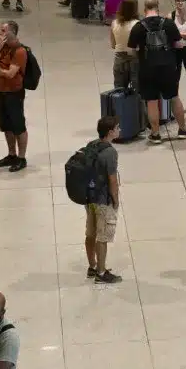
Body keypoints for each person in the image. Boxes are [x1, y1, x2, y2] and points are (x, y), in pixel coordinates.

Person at [129, 0, 186, 142]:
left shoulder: (138, 27)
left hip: (147, 68)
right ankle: (182, 129)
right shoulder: (168, 23)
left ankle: (156, 134)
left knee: (151, 101)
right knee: (174, 97)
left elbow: (132, 50)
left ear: (144, 9)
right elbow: (179, 45)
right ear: (158, 7)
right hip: (168, 67)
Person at [78, 116, 125, 284]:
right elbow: (112, 179)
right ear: (110, 132)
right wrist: (116, 199)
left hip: (89, 198)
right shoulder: (110, 152)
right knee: (102, 236)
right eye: (117, 128)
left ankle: (92, 266)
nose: (120, 130)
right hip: (103, 200)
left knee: (90, 233)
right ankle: (101, 272)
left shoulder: (92, 145)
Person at [0, 21, 30, 171]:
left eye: (3, 31)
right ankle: (11, 154)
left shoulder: (19, 51)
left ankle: (21, 157)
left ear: (12, 33)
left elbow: (10, 74)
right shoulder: (2, 48)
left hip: (14, 93)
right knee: (6, 125)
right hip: (0, 91)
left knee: (18, 126)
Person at [109, 0, 140, 94]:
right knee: (137, 90)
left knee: (119, 90)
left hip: (119, 58)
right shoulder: (137, 24)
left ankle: (120, 108)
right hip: (134, 58)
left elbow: (113, 45)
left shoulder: (114, 23)